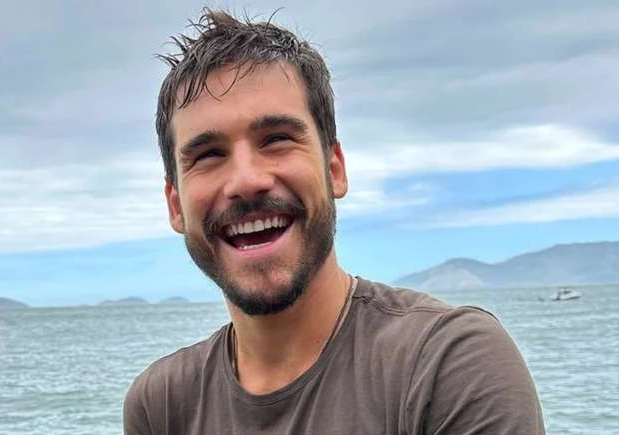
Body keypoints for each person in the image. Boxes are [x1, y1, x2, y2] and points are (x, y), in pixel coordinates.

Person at [124, 9, 544, 435]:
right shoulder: (162, 405)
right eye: (208, 155)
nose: (247, 181)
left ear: (334, 168)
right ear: (176, 206)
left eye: (277, 139)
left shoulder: (446, 363)